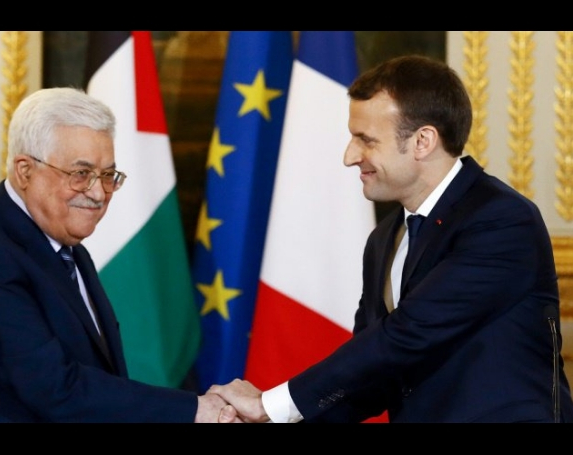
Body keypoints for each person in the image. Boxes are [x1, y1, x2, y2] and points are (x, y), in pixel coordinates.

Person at [211, 55, 573, 423]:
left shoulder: (501, 220)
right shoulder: (385, 237)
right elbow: (372, 378)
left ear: (422, 141)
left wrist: (270, 406)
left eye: (366, 140)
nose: (350, 157)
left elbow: (407, 334)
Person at [0, 87, 239, 423]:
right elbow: (56, 389)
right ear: (25, 171)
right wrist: (197, 409)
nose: (98, 194)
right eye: (81, 174)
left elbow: (95, 372)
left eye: (107, 176)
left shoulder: (63, 243)